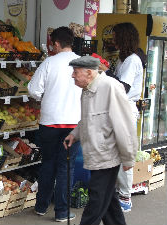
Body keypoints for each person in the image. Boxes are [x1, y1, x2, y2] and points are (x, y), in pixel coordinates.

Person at [64, 55, 138, 225]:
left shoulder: (110, 87)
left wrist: (128, 157)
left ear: (89, 73)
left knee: (96, 202)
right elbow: (88, 119)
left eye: (75, 72)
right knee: (108, 201)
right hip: (96, 154)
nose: (72, 76)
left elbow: (124, 125)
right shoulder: (87, 89)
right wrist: (74, 134)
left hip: (107, 156)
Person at [27, 26, 82, 222]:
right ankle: (62, 212)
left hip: (49, 123)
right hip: (73, 125)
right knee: (66, 168)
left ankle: (41, 206)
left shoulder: (48, 63)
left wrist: (45, 95)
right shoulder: (81, 63)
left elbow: (33, 90)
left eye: (53, 44)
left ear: (57, 43)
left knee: (48, 163)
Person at [99, 22, 146, 212]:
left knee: (123, 155)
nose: (113, 40)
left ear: (124, 37)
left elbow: (123, 88)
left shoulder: (132, 60)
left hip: (125, 113)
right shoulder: (124, 59)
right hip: (118, 111)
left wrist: (105, 71)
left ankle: (125, 197)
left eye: (116, 36)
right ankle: (118, 192)